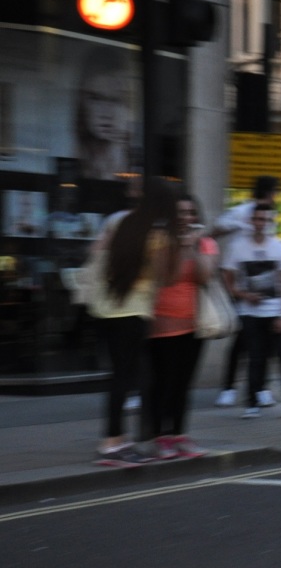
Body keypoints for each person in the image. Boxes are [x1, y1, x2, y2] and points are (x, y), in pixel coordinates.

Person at [88, 179, 167, 467]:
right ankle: (110, 443)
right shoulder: (155, 234)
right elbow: (161, 276)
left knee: (122, 376)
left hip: (107, 309)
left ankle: (118, 439)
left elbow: (96, 254)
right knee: (125, 378)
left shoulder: (116, 221)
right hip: (133, 311)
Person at [212, 176, 281, 410]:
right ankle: (230, 387)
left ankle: (259, 388)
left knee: (265, 346)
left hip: (265, 290)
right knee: (243, 343)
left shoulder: (267, 214)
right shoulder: (242, 213)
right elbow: (215, 230)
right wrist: (236, 228)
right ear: (269, 192)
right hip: (243, 283)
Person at [146, 193, 216, 460]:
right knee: (162, 383)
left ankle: (178, 434)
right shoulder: (159, 241)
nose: (185, 218)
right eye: (180, 213)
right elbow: (166, 277)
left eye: (189, 213)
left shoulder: (206, 243)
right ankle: (159, 437)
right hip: (162, 323)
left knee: (183, 384)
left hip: (193, 324)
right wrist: (182, 246)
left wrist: (193, 247)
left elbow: (205, 277)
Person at [76, 47, 133, 181]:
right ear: (82, 101)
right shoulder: (77, 153)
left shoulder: (123, 156)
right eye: (96, 98)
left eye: (115, 100)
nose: (106, 113)